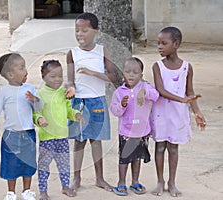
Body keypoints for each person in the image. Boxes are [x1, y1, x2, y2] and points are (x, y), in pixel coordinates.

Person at [0, 53, 43, 200]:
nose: (26, 71)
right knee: (10, 163)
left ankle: (27, 191)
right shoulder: (4, 92)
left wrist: (35, 100)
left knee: (27, 162)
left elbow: (38, 108)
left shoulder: (30, 89)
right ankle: (11, 192)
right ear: (10, 74)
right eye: (21, 68)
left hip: (28, 133)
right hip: (11, 135)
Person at [150, 26, 207, 197]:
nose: (159, 47)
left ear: (176, 44)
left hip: (177, 115)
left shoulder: (187, 67)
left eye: (163, 43)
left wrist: (196, 111)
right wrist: (181, 100)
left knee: (173, 149)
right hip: (161, 113)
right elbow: (160, 90)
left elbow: (189, 92)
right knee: (160, 147)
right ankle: (160, 181)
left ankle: (172, 182)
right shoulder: (157, 66)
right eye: (158, 43)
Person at [66, 12, 117, 191]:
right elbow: (70, 79)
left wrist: (93, 73)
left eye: (84, 30)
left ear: (95, 31)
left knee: (96, 141)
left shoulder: (102, 51)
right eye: (77, 30)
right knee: (79, 141)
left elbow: (113, 76)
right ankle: (76, 178)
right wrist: (70, 88)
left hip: (97, 102)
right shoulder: (72, 54)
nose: (80, 34)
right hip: (79, 103)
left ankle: (100, 178)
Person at [33, 60, 84, 200]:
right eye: (52, 76)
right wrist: (39, 120)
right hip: (47, 138)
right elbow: (36, 113)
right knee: (44, 165)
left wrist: (76, 115)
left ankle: (65, 186)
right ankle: (43, 190)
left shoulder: (63, 93)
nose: (57, 80)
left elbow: (68, 110)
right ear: (43, 77)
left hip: (62, 137)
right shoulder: (40, 94)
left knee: (64, 164)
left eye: (60, 76)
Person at [110, 57, 159, 196]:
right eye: (128, 71)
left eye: (135, 72)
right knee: (124, 158)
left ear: (141, 75)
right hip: (126, 132)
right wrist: (122, 106)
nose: (131, 75)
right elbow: (115, 111)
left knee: (137, 158)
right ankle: (121, 182)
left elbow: (156, 96)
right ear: (123, 73)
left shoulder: (145, 87)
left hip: (142, 132)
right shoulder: (119, 92)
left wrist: (144, 92)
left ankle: (135, 181)